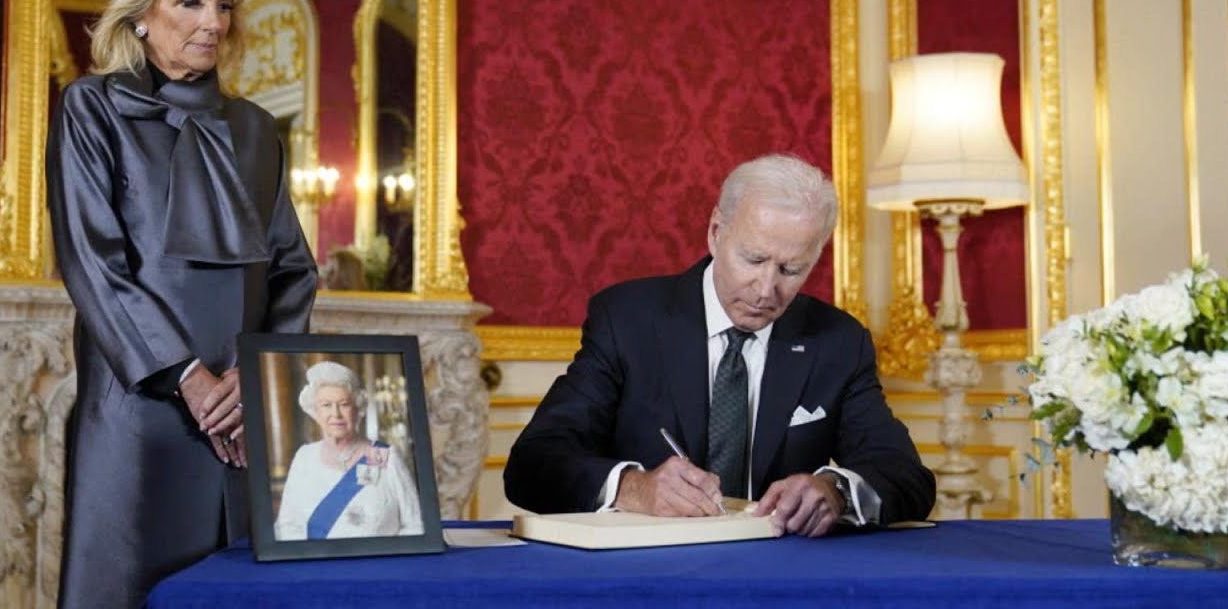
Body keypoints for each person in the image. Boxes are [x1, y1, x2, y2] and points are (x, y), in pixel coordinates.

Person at [46, 0, 319, 609]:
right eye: (191, 2)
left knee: (231, 591)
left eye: (224, 5)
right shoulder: (91, 109)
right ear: (143, 10)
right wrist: (189, 380)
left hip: (238, 416)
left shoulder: (256, 128)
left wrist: (256, 381)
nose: (213, 23)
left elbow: (292, 270)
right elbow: (94, 264)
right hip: (138, 411)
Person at [504, 154, 934, 536]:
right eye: (753, 260)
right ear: (715, 233)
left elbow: (907, 477)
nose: (767, 290)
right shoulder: (627, 320)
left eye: (792, 269)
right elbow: (533, 464)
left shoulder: (838, 341)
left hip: (780, 577)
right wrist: (633, 487)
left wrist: (835, 490)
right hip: (646, 572)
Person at [274, 362, 423, 539]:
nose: (335, 414)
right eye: (326, 405)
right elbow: (287, 526)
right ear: (316, 412)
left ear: (357, 409)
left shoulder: (387, 456)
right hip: (319, 565)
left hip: (378, 564)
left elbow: (415, 525)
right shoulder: (304, 457)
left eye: (344, 404)